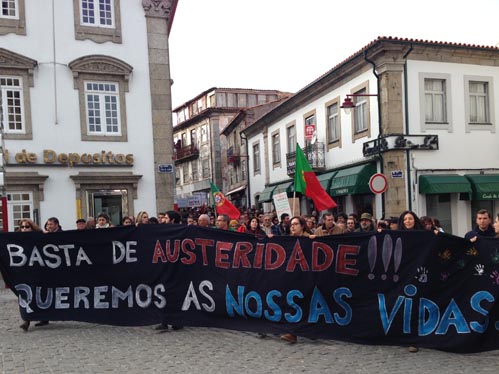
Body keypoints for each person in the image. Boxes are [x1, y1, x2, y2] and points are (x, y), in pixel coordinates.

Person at [280, 216, 315, 344]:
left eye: (295, 224)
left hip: (306, 277)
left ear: (302, 226)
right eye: (291, 224)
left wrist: (314, 240)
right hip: (291, 277)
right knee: (293, 304)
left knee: (305, 304)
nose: (292, 226)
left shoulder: (309, 239)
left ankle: (308, 330)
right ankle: (293, 332)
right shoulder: (287, 240)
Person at [17, 219, 42, 332]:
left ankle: (44, 317)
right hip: (24, 273)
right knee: (25, 295)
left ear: (32, 227)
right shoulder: (16, 239)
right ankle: (26, 321)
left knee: (39, 295)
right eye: (22, 227)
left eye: (27, 227)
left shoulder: (39, 237)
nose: (24, 229)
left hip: (38, 271)